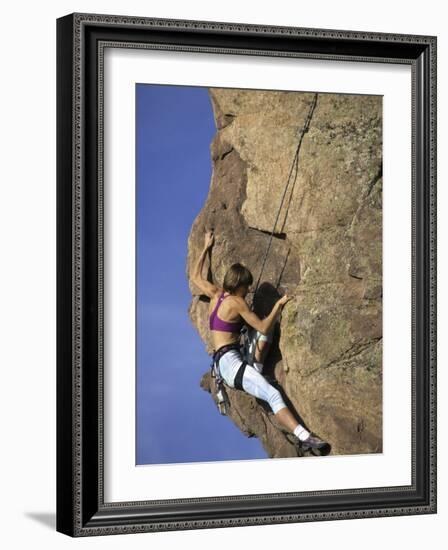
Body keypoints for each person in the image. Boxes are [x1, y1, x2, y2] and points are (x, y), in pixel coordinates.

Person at [191, 230, 328, 453]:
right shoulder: (236, 302)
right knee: (272, 393)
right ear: (239, 286)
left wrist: (206, 247)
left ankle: (257, 367)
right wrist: (279, 305)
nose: (247, 292)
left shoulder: (216, 294)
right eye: (246, 288)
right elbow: (263, 325)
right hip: (231, 365)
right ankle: (305, 438)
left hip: (230, 359)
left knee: (265, 336)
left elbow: (196, 277)